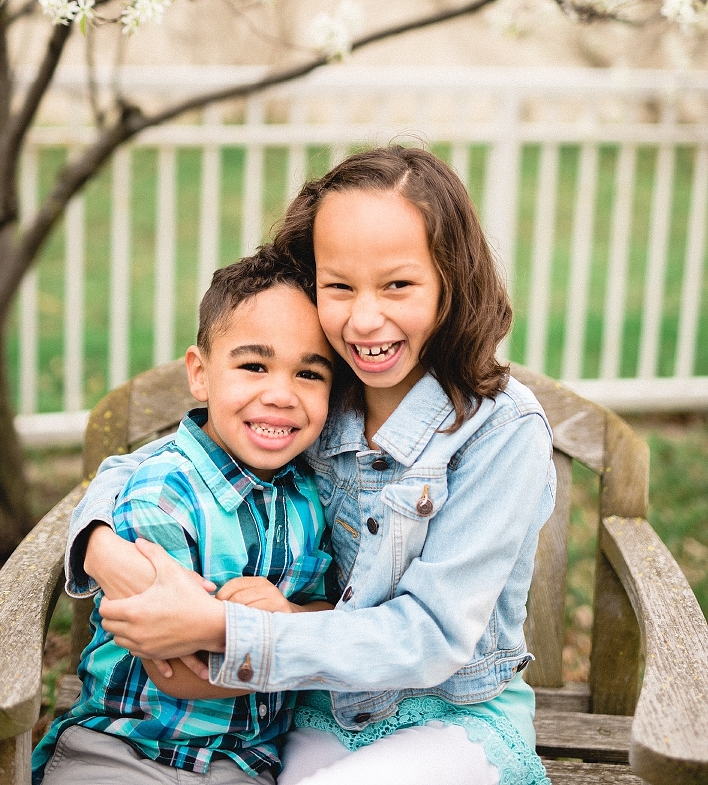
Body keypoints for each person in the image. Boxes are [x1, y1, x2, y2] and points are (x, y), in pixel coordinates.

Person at [66, 147, 556, 785]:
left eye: (398, 284)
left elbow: (430, 636)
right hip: (322, 707)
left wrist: (220, 624)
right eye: (339, 286)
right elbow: (141, 467)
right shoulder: (319, 396)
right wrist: (105, 552)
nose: (364, 317)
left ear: (450, 284)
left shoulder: (502, 431)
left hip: (453, 714)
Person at [33, 248, 337, 784]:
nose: (281, 394)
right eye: (254, 365)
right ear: (200, 374)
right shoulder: (162, 496)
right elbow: (177, 671)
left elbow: (326, 602)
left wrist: (290, 620)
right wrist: (287, 637)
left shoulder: (312, 494)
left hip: (246, 760)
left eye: (309, 374)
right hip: (125, 747)